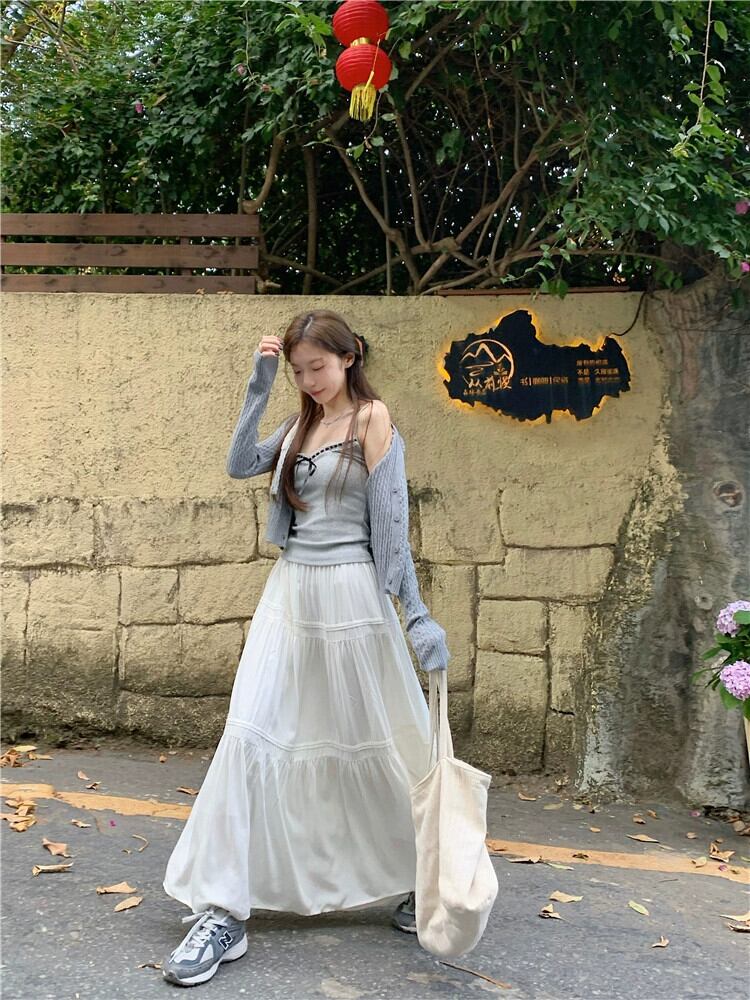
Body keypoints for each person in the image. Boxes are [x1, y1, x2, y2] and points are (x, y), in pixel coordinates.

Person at [161, 309, 450, 987]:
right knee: (250, 735)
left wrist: (417, 617)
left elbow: (393, 528)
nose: (309, 379)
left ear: (349, 357)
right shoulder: (298, 426)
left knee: (379, 742)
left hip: (353, 597)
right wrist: (259, 386)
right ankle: (223, 909)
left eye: (317, 366)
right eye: (298, 370)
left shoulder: (372, 420)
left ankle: (427, 873)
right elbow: (238, 464)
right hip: (290, 596)